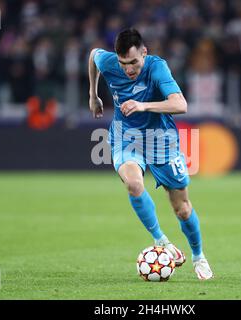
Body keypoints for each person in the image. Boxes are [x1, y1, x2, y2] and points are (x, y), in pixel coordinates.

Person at [88, 28, 213, 280]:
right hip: (126, 137)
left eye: (134, 62)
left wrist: (143, 105)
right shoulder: (109, 61)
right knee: (134, 184)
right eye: (124, 63)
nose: (129, 69)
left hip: (161, 140)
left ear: (144, 53)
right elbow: (93, 55)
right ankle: (162, 241)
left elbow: (181, 104)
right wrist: (93, 94)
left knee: (182, 209)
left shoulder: (157, 68)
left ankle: (199, 257)